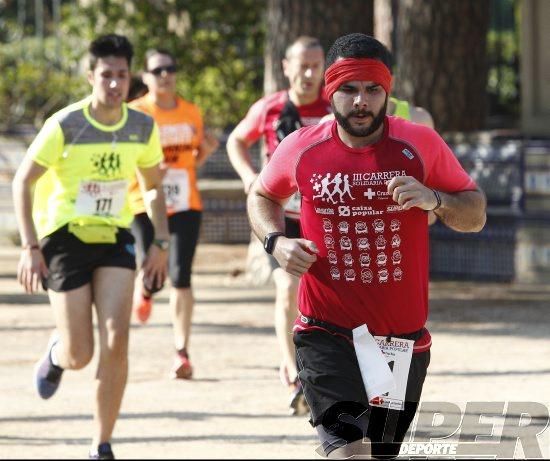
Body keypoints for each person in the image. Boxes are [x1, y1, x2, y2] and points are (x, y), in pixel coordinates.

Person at [246, 33, 486, 458]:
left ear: (387, 90)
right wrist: (275, 241)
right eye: (349, 89)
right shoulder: (302, 147)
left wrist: (435, 198)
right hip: (325, 333)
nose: (361, 101)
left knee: (380, 453)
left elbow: (475, 213)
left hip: (400, 339)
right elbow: (262, 195)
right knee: (347, 453)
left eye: (373, 89)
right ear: (330, 91)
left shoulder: (419, 144)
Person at [12, 34, 169, 460]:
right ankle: (58, 353)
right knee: (81, 353)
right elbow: (22, 181)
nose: (114, 84)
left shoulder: (142, 126)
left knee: (118, 339)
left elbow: (154, 188)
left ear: (130, 77)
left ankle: (101, 444)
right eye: (106, 76)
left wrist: (159, 241)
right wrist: (29, 246)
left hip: (115, 237)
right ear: (90, 76)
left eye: (121, 75)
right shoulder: (66, 124)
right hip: (64, 237)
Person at [226, 36, 331, 415]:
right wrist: (249, 178)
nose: (308, 73)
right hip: (279, 219)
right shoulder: (269, 108)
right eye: (301, 65)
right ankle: (291, 371)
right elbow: (236, 140)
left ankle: (328, 372)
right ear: (285, 66)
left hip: (324, 220)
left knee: (325, 299)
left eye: (316, 65)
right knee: (287, 286)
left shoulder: (335, 107)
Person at [128, 49, 219, 379]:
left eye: (171, 68)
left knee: (181, 275)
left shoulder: (191, 112)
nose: (165, 74)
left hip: (185, 203)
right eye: (158, 70)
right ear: (146, 76)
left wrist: (205, 152)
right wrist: (152, 173)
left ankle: (182, 351)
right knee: (151, 266)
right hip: (144, 201)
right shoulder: (135, 113)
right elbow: (127, 160)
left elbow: (191, 158)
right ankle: (147, 288)